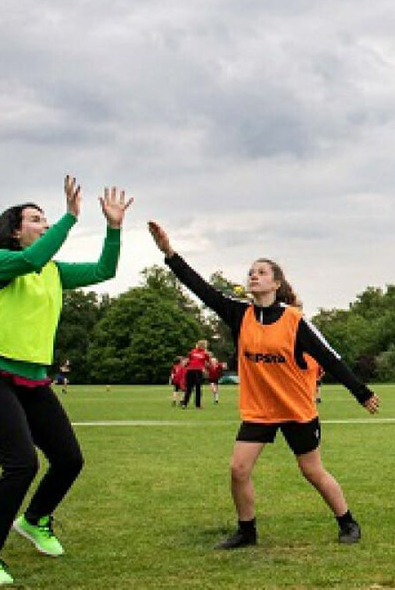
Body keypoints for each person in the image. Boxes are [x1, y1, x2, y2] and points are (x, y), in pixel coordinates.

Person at [147, 221, 379, 549]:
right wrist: (170, 253)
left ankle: (347, 522)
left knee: (312, 471)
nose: (253, 276)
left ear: (276, 283)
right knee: (238, 469)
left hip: (295, 409)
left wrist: (362, 393)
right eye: (251, 272)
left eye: (262, 272)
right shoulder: (239, 313)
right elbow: (201, 289)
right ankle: (246, 532)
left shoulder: (294, 320)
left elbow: (329, 358)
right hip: (259, 410)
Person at [0, 176, 131, 587]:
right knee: (20, 464)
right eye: (36, 219)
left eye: (46, 218)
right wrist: (70, 219)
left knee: (69, 459)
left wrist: (113, 228)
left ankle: (35, 520)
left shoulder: (52, 271)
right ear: (15, 230)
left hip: (34, 381)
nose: (44, 223)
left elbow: (105, 270)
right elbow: (30, 260)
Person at [181, 339, 211, 409]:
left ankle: (185, 404)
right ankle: (196, 405)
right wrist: (206, 369)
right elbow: (208, 363)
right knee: (195, 388)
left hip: (192, 370)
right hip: (196, 371)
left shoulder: (194, 352)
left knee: (191, 388)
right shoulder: (203, 353)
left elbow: (187, 361)